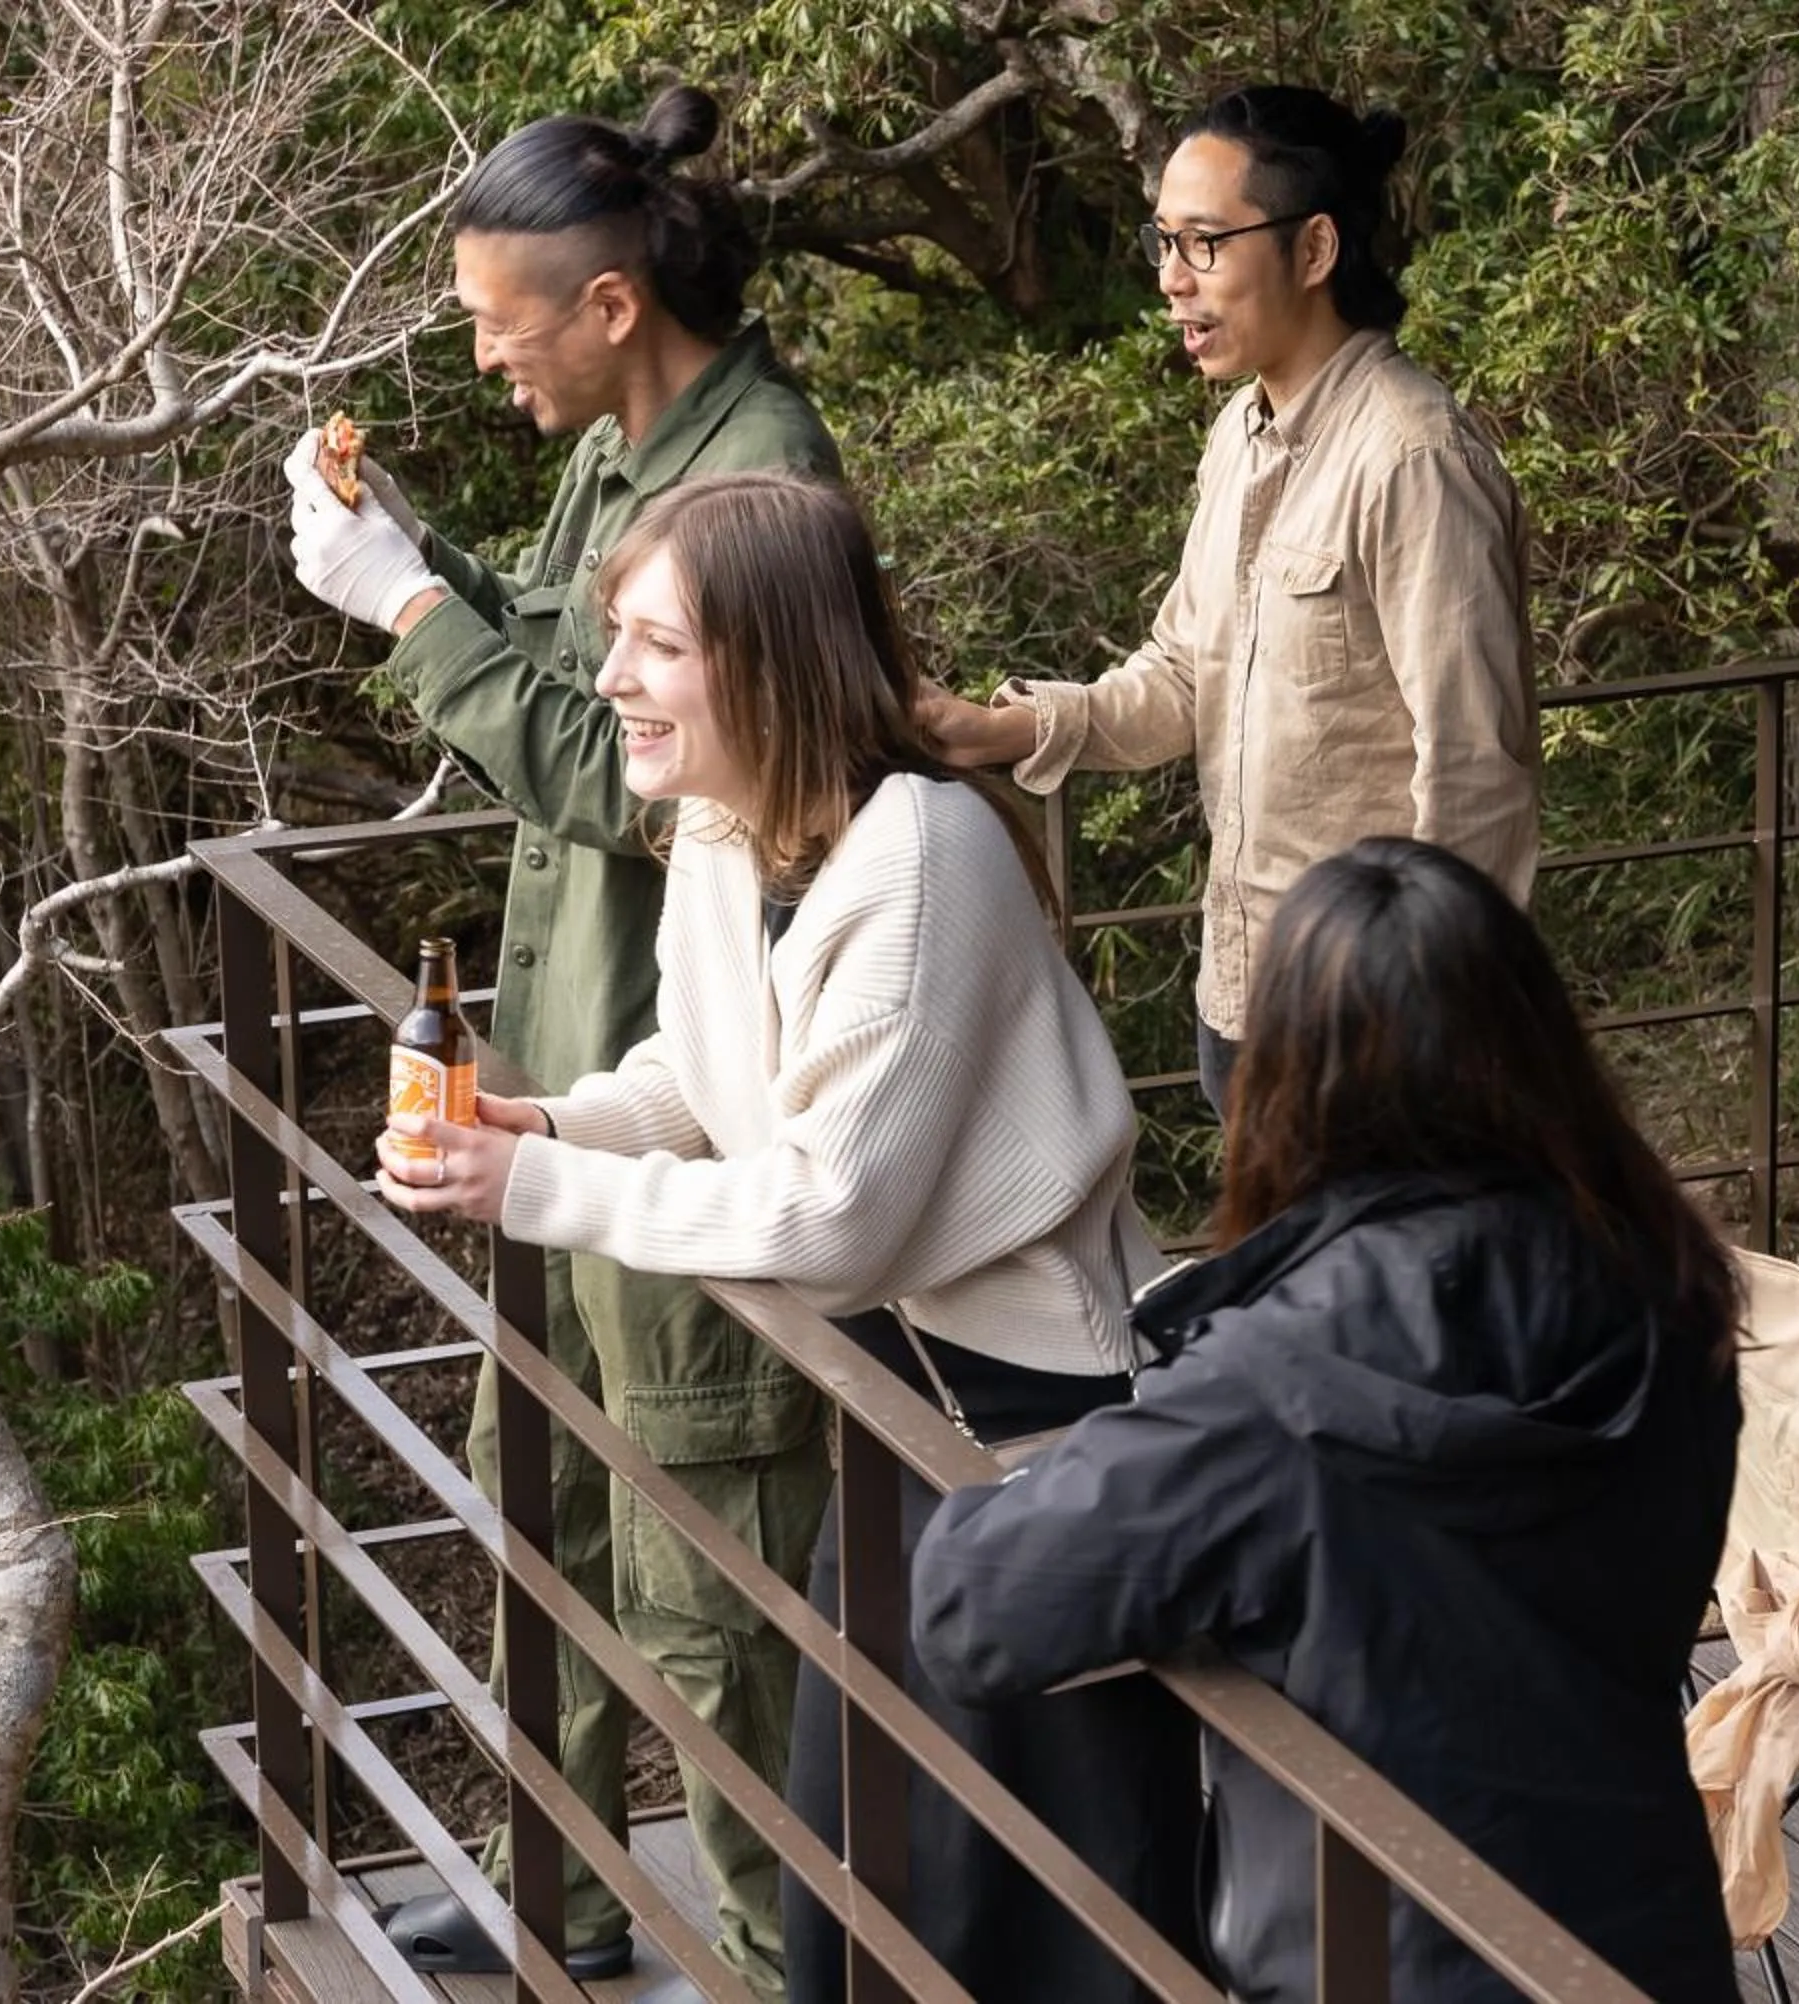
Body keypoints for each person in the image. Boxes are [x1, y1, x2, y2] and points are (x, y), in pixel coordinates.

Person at [375, 472, 1203, 2004]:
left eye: (654, 645)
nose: (612, 676)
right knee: (866, 1863)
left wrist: (531, 1194)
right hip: (894, 1405)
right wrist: (542, 1123)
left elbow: (827, 1216)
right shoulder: (720, 825)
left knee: (1058, 1905)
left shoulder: (922, 857)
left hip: (1032, 1425)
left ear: (767, 659)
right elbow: (706, 1074)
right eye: (616, 637)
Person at [283, 85, 841, 1990]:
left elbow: (632, 776)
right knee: (562, 1491)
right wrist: (413, 551)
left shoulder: (755, 471)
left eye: (491, 316)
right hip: (584, 1076)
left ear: (607, 300)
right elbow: (555, 640)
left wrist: (410, 608)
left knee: (709, 1565)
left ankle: (783, 1957)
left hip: (681, 1089)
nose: (475, 346)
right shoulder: (631, 440)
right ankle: (572, 1883)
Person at [908, 835, 1744, 2003]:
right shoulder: (1667, 1289)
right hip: (1634, 1943)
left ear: (1286, 1075)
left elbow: (974, 1608)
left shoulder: (1273, 1384)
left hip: (1368, 1962)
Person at [916, 85, 1538, 1113]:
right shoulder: (1240, 437)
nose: (1170, 280)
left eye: (1204, 244)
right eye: (1164, 243)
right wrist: (990, 730)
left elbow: (1476, 769)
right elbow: (1180, 676)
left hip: (1376, 1022)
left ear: (1314, 250)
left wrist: (1428, 1022)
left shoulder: (1414, 458)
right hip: (1245, 993)